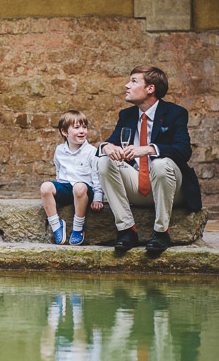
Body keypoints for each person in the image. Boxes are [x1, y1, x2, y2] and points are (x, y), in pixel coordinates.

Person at [97, 65, 201, 253]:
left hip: (170, 187)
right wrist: (107, 147)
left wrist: (149, 149)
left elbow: (184, 150)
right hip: (137, 184)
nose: (127, 85)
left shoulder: (175, 113)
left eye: (133, 81)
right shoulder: (126, 115)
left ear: (150, 88)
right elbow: (111, 142)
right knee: (103, 161)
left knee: (160, 164)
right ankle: (127, 230)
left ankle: (161, 233)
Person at [40, 110, 105, 245]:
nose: (82, 131)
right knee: (45, 187)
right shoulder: (59, 150)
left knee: (79, 187)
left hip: (84, 191)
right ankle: (56, 225)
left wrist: (98, 198)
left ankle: (78, 226)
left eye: (84, 127)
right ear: (64, 132)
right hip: (66, 187)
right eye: (76, 128)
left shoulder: (91, 151)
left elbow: (97, 176)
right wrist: (57, 191)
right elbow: (59, 172)